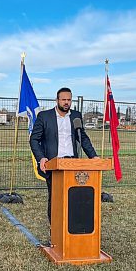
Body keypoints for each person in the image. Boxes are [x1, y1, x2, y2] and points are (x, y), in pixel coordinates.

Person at [30, 87, 98, 224]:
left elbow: (82, 138)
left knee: (73, 198)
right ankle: (54, 231)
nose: (66, 102)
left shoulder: (76, 116)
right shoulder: (44, 116)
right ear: (57, 100)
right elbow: (34, 139)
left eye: (69, 100)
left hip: (72, 164)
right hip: (53, 165)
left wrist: (93, 156)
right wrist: (41, 158)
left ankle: (71, 229)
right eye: (63, 100)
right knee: (55, 199)